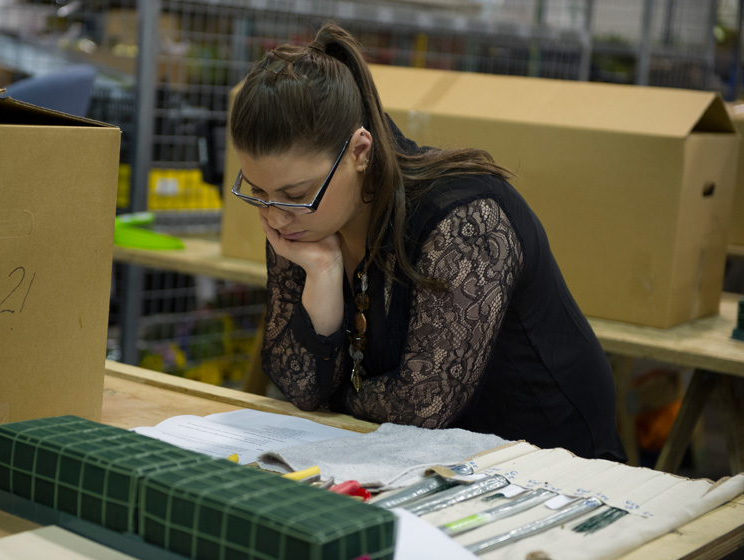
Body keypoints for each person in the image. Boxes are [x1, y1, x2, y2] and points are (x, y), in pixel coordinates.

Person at [228, 23, 626, 462]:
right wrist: (322, 273)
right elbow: (301, 385)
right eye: (257, 192)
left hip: (548, 454)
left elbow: (421, 406)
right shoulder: (302, 219)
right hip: (425, 458)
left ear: (360, 152)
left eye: (296, 194)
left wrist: (337, 394)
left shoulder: (465, 219)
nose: (275, 216)